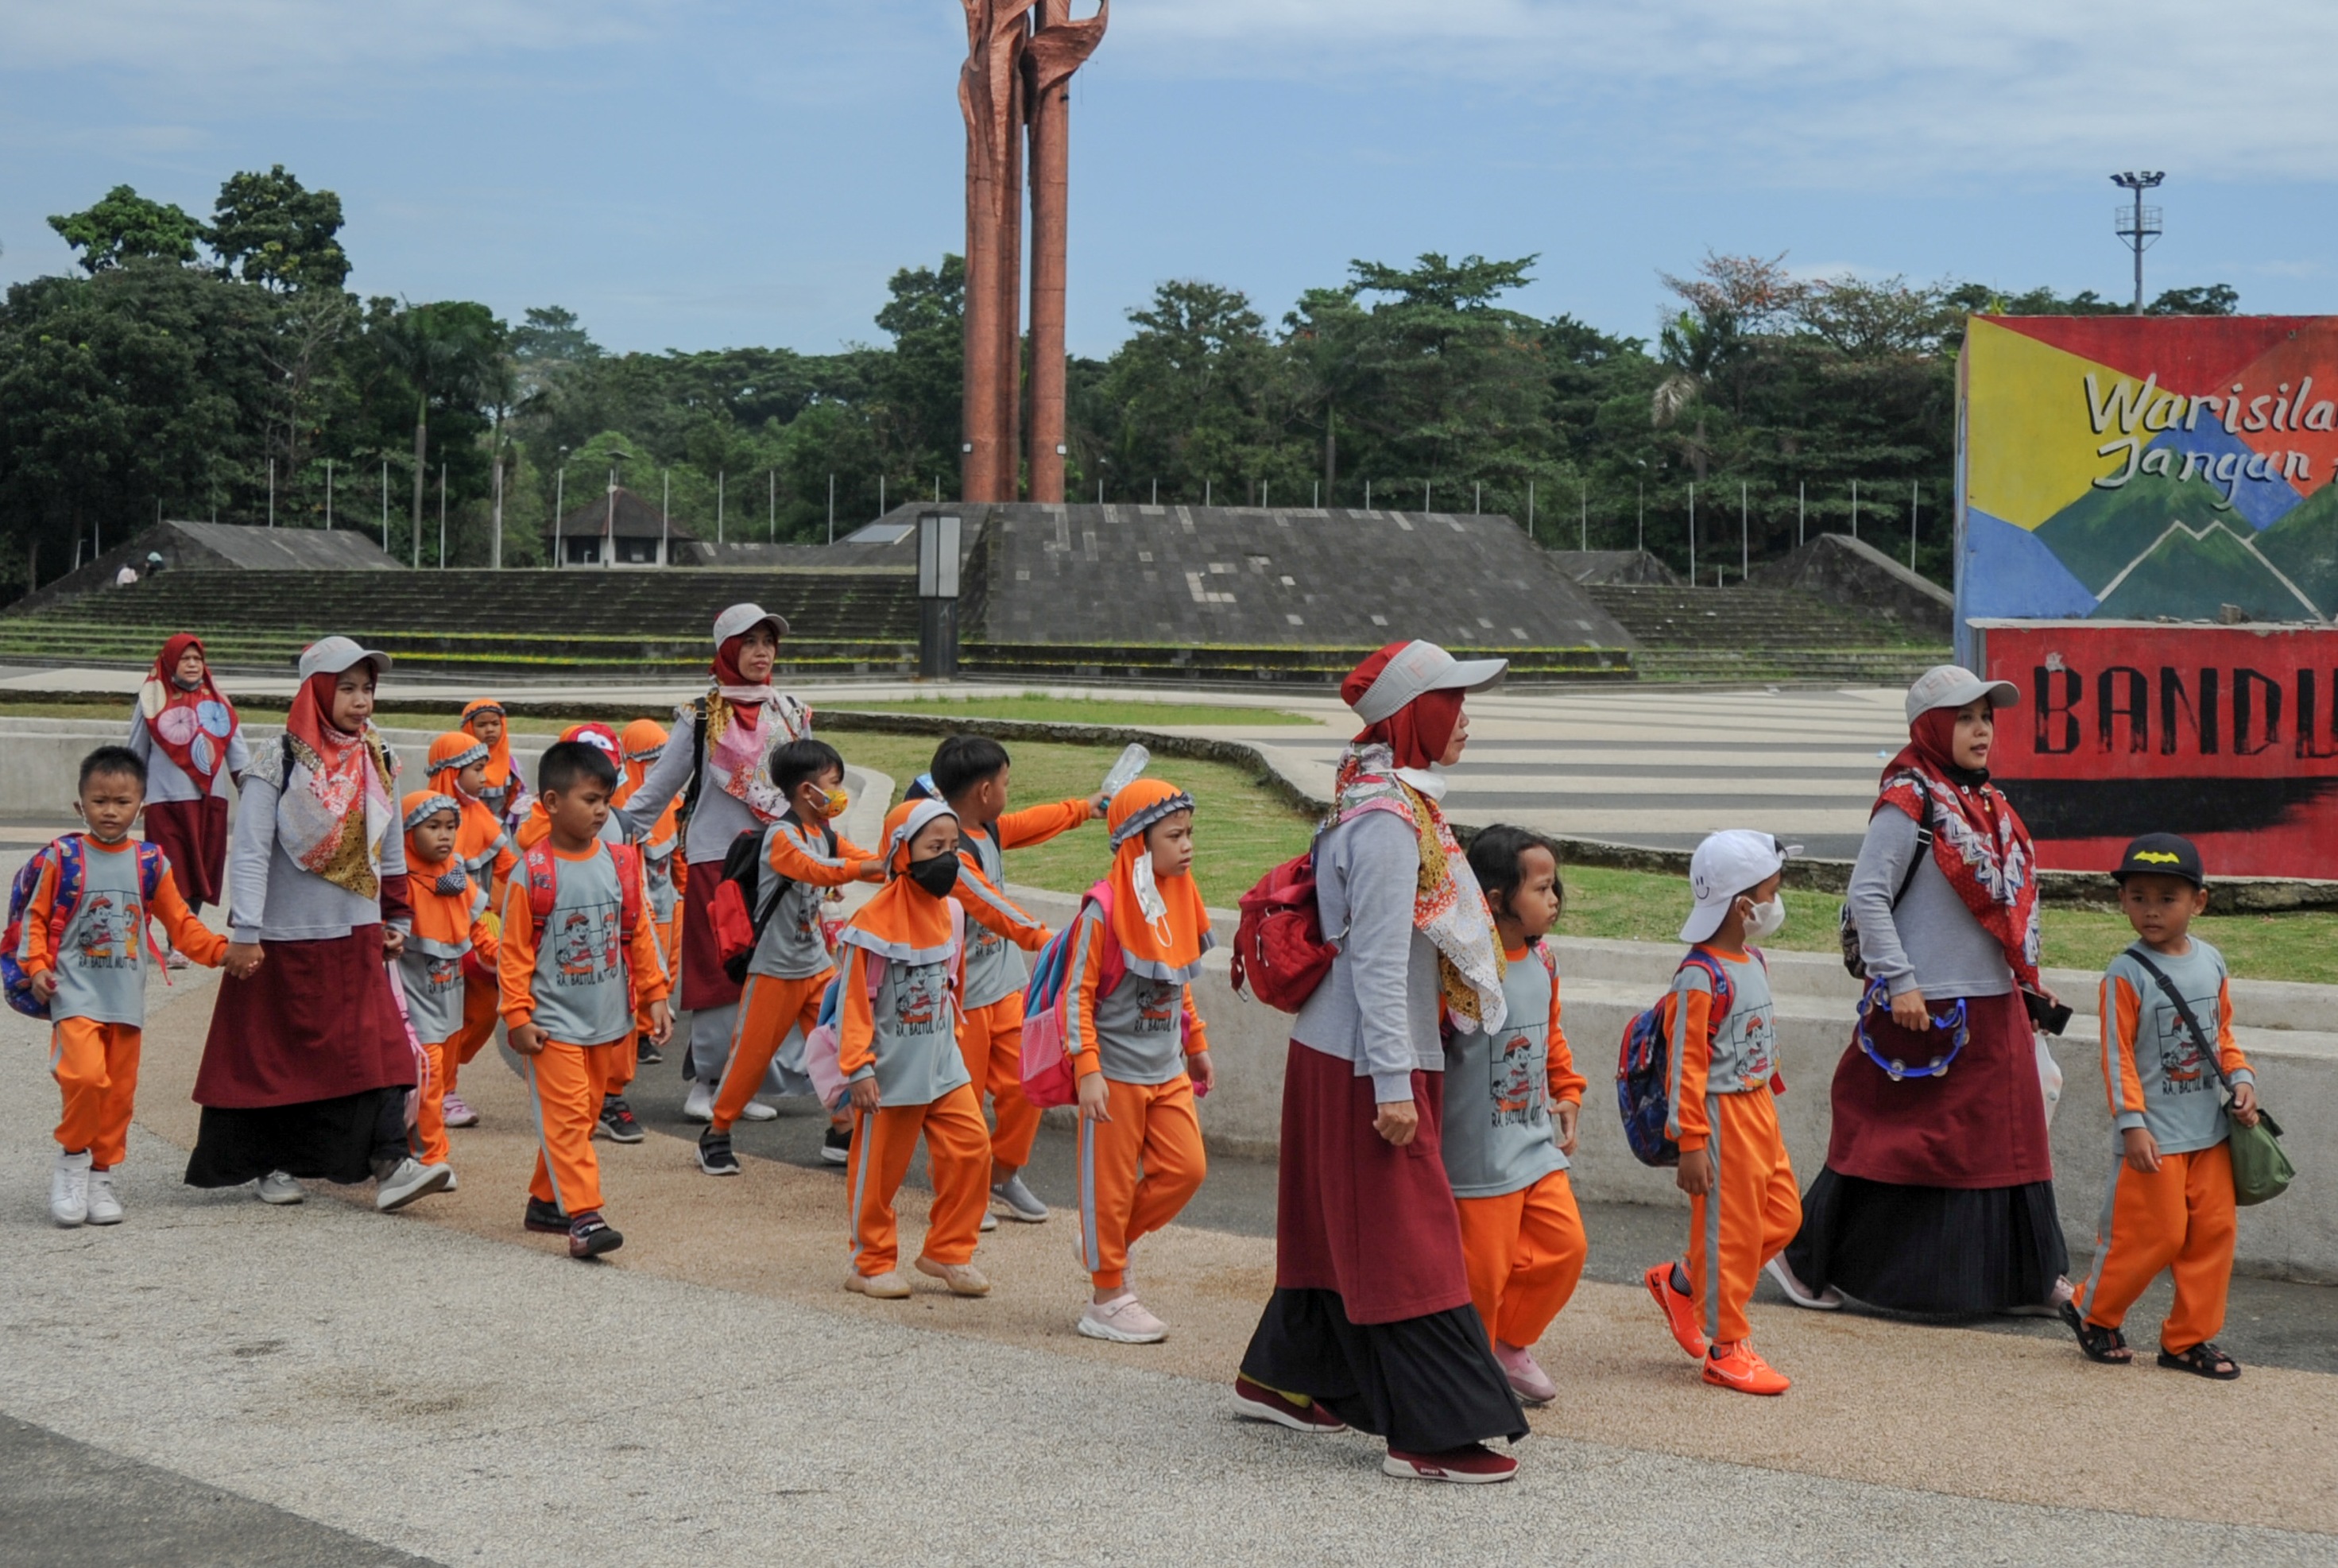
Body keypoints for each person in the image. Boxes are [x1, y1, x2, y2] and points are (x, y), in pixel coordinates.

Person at [1237, 639, 1527, 1485]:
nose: (1466, 718)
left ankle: (1285, 1379)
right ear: (1412, 714)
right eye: (1451, 701)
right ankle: (1427, 1432)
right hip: (1370, 1057)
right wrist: (1394, 1083)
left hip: (1353, 1047)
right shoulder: (1390, 820)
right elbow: (1373, 959)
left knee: (1337, 1228)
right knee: (1408, 1241)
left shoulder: (1375, 798)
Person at [1780, 665, 2069, 1317]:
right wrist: (1899, 979)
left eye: (1986, 717)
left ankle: (2030, 1275)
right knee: (1891, 1142)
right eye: (1966, 717)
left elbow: (2011, 913)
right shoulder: (1908, 800)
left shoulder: (1989, 804)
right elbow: (1869, 895)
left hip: (1994, 1002)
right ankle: (1804, 1259)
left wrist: (2029, 988)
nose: (1981, 730)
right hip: (1926, 1010)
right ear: (1932, 726)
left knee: (2013, 1142)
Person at [184, 637, 447, 1214]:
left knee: (377, 1050)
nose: (361, 700)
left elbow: (391, 846)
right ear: (317, 690)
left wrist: (394, 915)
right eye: (347, 687)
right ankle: (272, 1160)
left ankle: (390, 1161)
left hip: (353, 932)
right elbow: (250, 850)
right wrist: (247, 929)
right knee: (275, 1056)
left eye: (367, 688)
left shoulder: (377, 754)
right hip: (282, 937)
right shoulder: (275, 759)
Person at [2065, 834, 2259, 1380]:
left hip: (2211, 1134)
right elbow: (2115, 1054)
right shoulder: (2124, 972)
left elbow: (2223, 1035)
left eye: (2167, 897)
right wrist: (2132, 1125)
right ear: (2122, 900)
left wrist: (2242, 1080)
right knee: (2153, 1235)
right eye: (2138, 895)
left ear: (2199, 901)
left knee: (2211, 1237)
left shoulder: (2211, 961)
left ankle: (2187, 1339)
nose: (2151, 909)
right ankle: (2092, 1311)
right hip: (2153, 1139)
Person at [614, 604, 809, 1122]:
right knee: (719, 971)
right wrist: (603, 833)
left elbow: (808, 790)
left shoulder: (790, 712)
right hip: (716, 860)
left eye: (768, 641)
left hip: (779, 859)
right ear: (726, 648)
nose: (761, 651)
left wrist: (821, 852)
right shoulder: (701, 715)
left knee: (773, 973)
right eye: (748, 642)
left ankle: (743, 1082)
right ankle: (707, 1083)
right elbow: (656, 792)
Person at [33, 746, 226, 1227]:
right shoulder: (63, 858)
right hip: (73, 994)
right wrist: (37, 966)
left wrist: (225, 952)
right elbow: (36, 920)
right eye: (100, 801)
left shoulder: (150, 862)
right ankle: (72, 1163)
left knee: (117, 1095)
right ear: (81, 806)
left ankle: (100, 1178)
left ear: (141, 806)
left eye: (122, 801)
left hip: (125, 1000)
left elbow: (182, 926)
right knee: (82, 1077)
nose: (111, 811)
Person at [497, 740, 672, 1260]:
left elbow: (638, 933)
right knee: (570, 1117)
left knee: (581, 1113)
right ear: (551, 801)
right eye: (591, 799)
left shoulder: (621, 862)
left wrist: (656, 994)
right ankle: (585, 1216)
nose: (602, 811)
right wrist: (517, 1016)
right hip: (551, 1025)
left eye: (607, 801)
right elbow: (513, 954)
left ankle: (546, 1201)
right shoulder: (533, 872)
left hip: (608, 1021)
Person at [1641, 830, 1799, 1397]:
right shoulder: (1699, 976)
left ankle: (1683, 1282)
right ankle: (1727, 1347)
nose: (1777, 902)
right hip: (1722, 1118)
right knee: (1730, 1235)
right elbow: (1687, 1064)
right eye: (1771, 890)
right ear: (1742, 905)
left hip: (1757, 1108)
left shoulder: (1750, 957)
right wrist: (1689, 1141)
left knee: (1782, 1216)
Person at [1065, 777, 1215, 1343]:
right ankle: (1106, 1298)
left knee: (1187, 1168)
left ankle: (1107, 1242)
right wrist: (1088, 1070)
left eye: (1189, 833)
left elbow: (1178, 978)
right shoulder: (1101, 911)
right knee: (1107, 1187)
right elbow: (1075, 994)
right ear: (1137, 844)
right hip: (1115, 1076)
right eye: (1174, 835)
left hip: (1167, 1068)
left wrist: (1196, 1045)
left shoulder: (1178, 896)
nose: (1187, 845)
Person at [933, 733, 1105, 1224]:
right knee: (959, 1105)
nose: (1011, 792)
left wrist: (1083, 808)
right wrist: (1049, 939)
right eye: (1007, 783)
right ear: (985, 791)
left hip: (1006, 990)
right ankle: (963, 1193)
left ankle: (1000, 1175)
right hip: (961, 1002)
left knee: (1027, 1088)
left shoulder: (990, 828)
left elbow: (1031, 823)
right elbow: (992, 907)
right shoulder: (951, 850)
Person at [1444, 825, 1588, 1407]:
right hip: (1477, 1159)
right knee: (1481, 1277)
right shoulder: (1460, 970)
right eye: (1542, 887)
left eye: (1555, 887)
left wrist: (1568, 1092)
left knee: (1565, 1246)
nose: (1554, 899)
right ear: (1498, 898)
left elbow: (1550, 1035)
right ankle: (1466, 1377)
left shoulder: (1544, 961)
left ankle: (1509, 1343)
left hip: (1532, 1144)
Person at [699, 738, 879, 1178]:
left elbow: (860, 858)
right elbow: (812, 869)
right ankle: (717, 1132)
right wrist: (860, 871)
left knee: (839, 1048)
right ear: (806, 790)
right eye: (834, 784)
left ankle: (841, 1130)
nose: (840, 793)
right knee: (751, 1057)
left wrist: (901, 861)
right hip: (775, 969)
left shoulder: (825, 833)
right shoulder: (783, 837)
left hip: (817, 966)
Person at [836, 799, 990, 1300]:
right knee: (877, 1175)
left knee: (972, 1149)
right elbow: (854, 1003)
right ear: (902, 853)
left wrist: (956, 1039)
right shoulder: (870, 925)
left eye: (953, 847)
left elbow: (954, 982)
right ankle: (871, 1262)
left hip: (943, 1064)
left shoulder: (952, 911)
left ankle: (948, 1250)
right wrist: (858, 1068)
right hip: (890, 1072)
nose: (948, 857)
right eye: (934, 847)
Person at [396, 788, 495, 1184]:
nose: (444, 836)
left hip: (450, 1002)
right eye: (432, 827)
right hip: (416, 1006)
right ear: (406, 833)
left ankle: (413, 1150)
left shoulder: (454, 873)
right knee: (428, 1078)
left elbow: (473, 923)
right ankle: (430, 1156)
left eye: (451, 827)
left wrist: (499, 953)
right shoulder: (399, 882)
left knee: (439, 1079)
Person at [423, 731, 519, 1132]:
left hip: (474, 927)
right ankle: (440, 1091)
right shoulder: (426, 819)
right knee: (439, 1013)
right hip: (436, 933)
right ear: (450, 772)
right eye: (477, 769)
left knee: (479, 1006)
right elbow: (448, 879)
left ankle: (443, 1081)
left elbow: (508, 863)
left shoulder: (477, 813)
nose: (486, 776)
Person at [126, 633, 249, 925]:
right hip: (164, 801)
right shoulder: (152, 700)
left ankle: (185, 933)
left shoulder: (218, 701)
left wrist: (251, 789)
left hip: (210, 799)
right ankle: (177, 936)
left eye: (197, 659)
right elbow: (135, 751)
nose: (193, 664)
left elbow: (237, 750)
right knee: (171, 870)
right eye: (185, 658)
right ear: (170, 661)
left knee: (202, 871)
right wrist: (130, 795)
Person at [615, 718, 682, 1070]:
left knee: (668, 965)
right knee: (643, 966)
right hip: (642, 906)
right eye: (651, 761)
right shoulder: (624, 812)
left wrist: (684, 891)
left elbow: (677, 856)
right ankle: (640, 1035)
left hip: (669, 901)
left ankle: (656, 1020)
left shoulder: (671, 805)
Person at [459, 699, 527, 827]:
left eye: (495, 724)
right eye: (482, 725)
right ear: (469, 728)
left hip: (500, 831)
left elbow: (516, 799)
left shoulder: (512, 766)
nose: (490, 729)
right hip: (469, 828)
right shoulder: (460, 765)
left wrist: (529, 802)